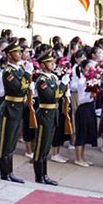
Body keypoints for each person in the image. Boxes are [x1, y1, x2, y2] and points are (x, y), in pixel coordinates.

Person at [0, 43, 31, 183]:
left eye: (20, 52)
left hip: (18, 108)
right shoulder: (8, 72)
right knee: (5, 141)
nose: (20, 54)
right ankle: (4, 173)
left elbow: (26, 88)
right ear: (9, 55)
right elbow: (18, 88)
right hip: (9, 108)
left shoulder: (19, 69)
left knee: (12, 142)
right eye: (16, 52)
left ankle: (10, 172)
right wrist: (28, 75)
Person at [32, 52, 69, 185]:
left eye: (53, 62)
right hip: (44, 115)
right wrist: (63, 86)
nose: (52, 65)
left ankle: (44, 175)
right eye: (49, 62)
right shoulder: (42, 80)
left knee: (46, 148)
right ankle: (39, 176)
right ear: (42, 65)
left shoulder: (52, 78)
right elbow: (52, 96)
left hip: (52, 115)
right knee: (40, 147)